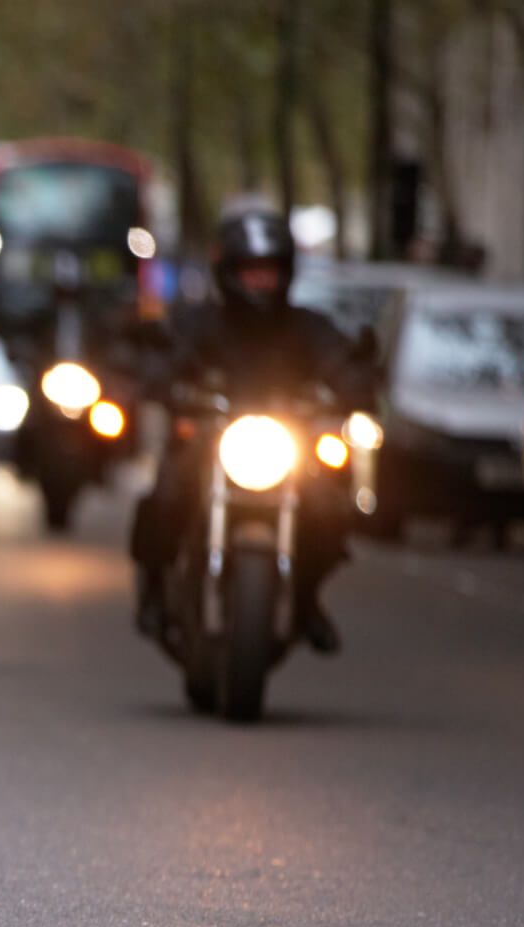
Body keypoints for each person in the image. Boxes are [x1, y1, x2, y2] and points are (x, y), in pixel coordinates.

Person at [131, 205, 374, 655]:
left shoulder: (307, 327)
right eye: (251, 271)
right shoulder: (200, 323)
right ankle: (153, 591)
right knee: (166, 495)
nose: (260, 281)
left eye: (269, 271)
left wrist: (355, 384)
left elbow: (342, 362)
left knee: (329, 508)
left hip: (287, 447)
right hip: (213, 439)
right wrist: (160, 379)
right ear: (229, 272)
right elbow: (162, 356)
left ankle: (304, 599)